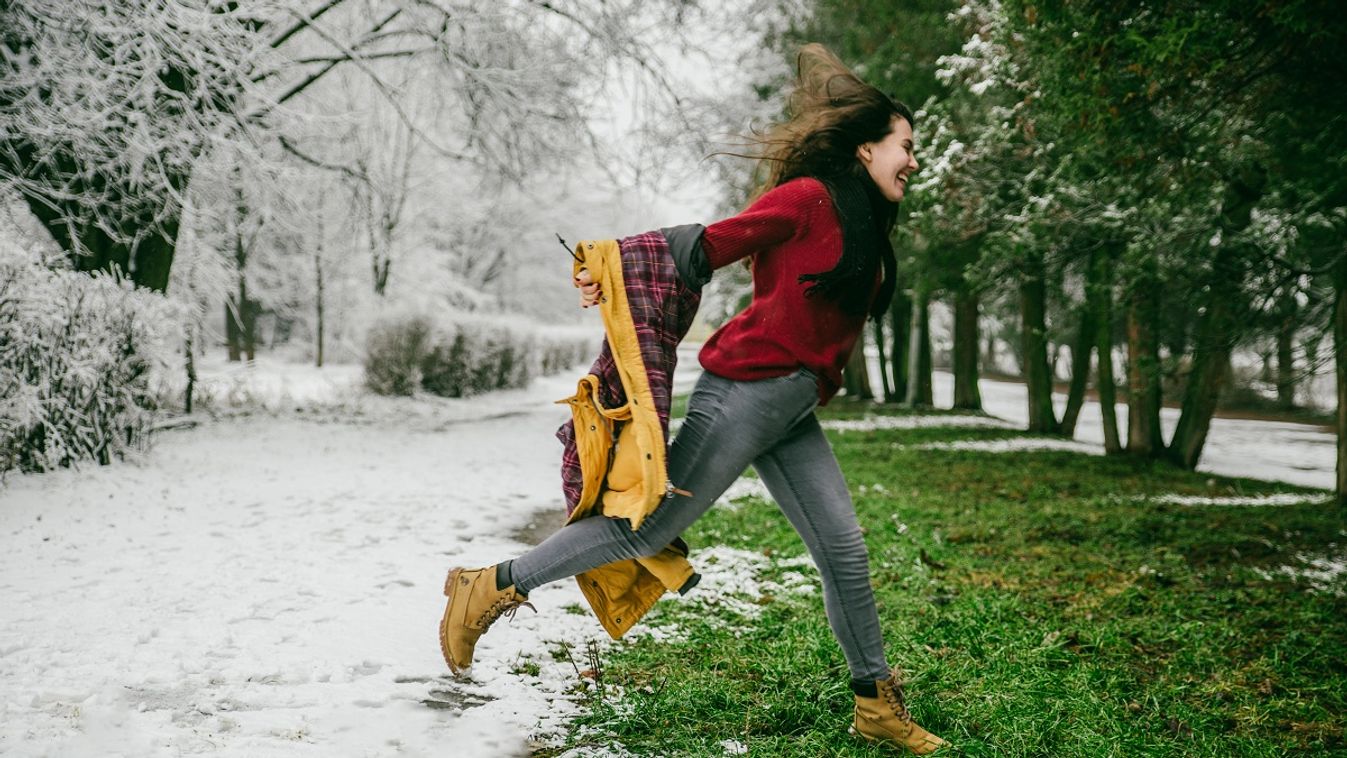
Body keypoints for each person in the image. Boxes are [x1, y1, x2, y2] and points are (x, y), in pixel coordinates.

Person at [438, 44, 948, 754]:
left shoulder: (859, 218)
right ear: (865, 149)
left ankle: (874, 706)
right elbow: (707, 245)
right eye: (905, 146)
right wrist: (607, 268)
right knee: (646, 527)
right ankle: (489, 583)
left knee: (844, 552)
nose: (913, 160)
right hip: (748, 388)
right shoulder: (806, 199)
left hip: (790, 404)